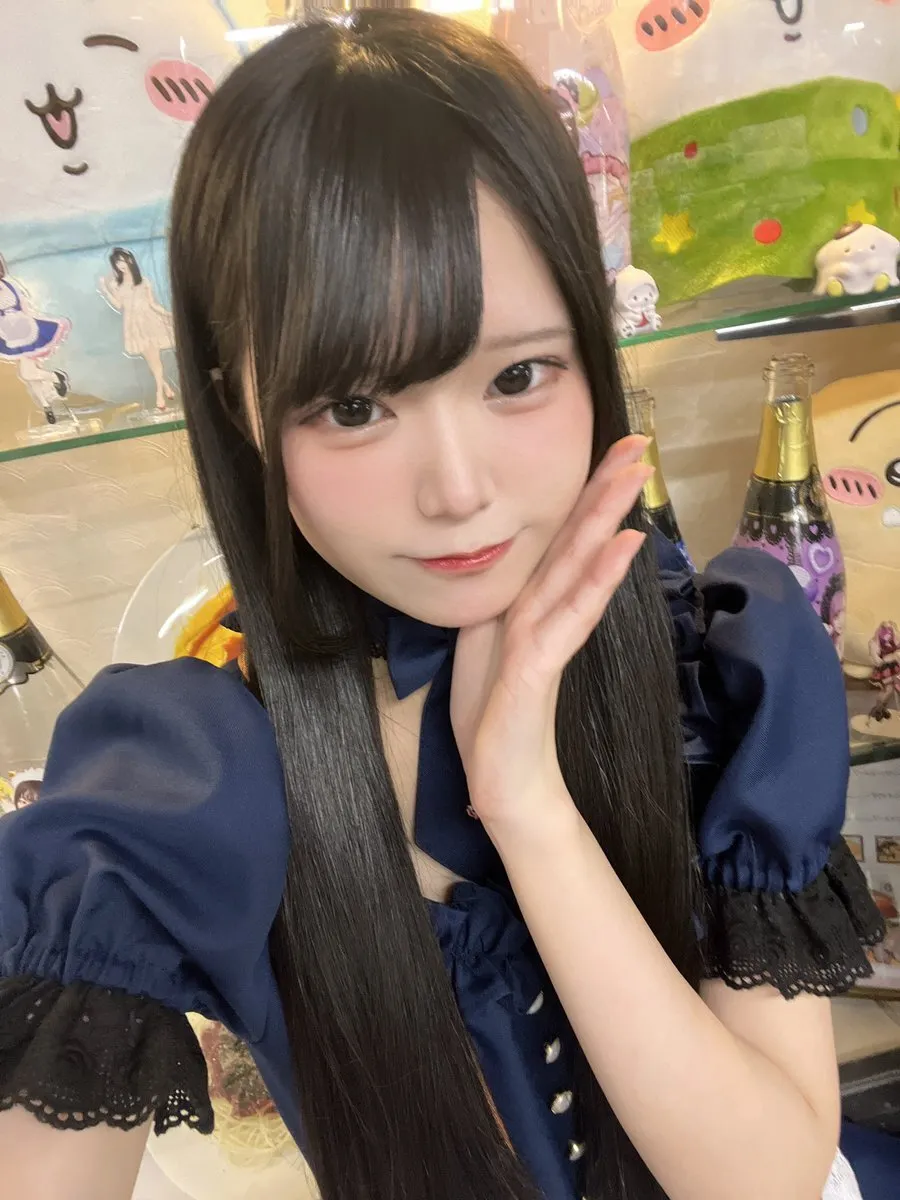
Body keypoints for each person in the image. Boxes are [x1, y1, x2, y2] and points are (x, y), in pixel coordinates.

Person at [0, 11, 894, 1200]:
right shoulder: (190, 776)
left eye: (518, 375)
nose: (459, 491)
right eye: (354, 407)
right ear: (239, 408)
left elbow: (766, 1179)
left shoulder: (723, 662)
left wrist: (525, 801)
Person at [98, 248, 177, 413]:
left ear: (130, 260)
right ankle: (166, 387)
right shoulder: (116, 284)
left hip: (149, 321)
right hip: (132, 324)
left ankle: (159, 394)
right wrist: (105, 290)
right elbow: (119, 305)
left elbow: (152, 304)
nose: (121, 265)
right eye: (117, 262)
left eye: (123, 260)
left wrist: (168, 314)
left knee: (155, 358)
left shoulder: (144, 281)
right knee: (151, 360)